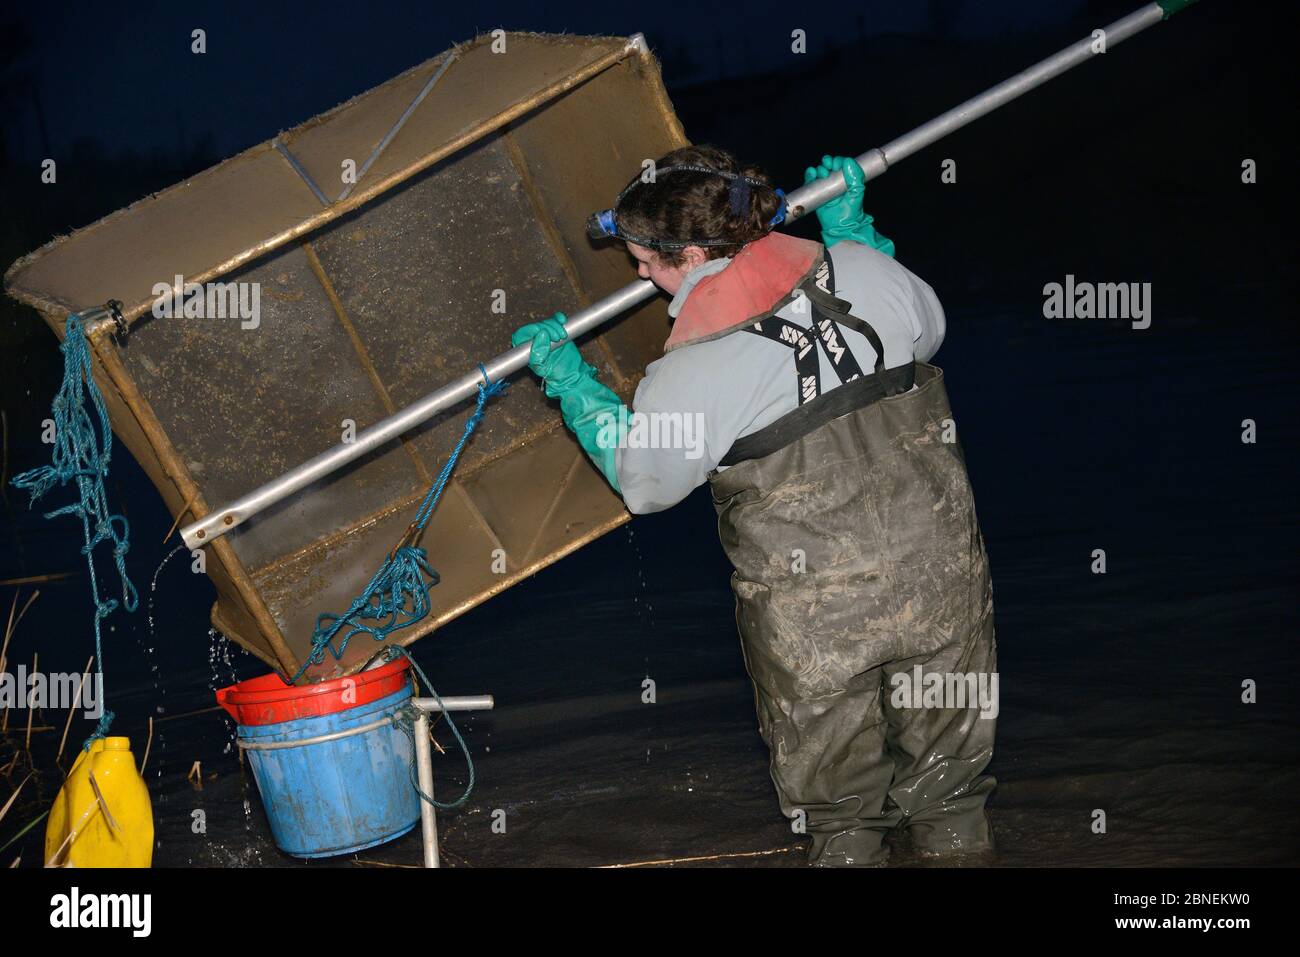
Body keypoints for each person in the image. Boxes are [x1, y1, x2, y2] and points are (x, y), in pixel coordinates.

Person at [512, 145, 997, 866]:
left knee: (841, 814)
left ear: (698, 252)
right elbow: (928, 329)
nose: (638, 274)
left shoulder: (690, 373)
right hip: (938, 577)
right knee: (951, 790)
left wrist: (572, 381)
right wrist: (855, 232)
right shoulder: (865, 272)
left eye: (646, 260)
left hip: (815, 617)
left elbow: (646, 482)